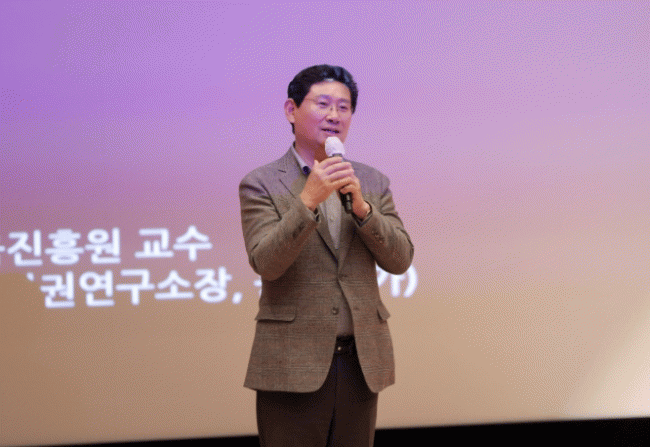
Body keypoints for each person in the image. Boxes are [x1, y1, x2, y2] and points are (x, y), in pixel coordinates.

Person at [239, 64, 414, 447]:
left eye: (344, 107)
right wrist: (307, 201)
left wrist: (364, 211)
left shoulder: (371, 181)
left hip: (360, 364)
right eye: (323, 104)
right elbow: (266, 263)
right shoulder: (261, 183)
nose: (334, 115)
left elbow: (400, 260)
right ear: (291, 110)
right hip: (291, 364)